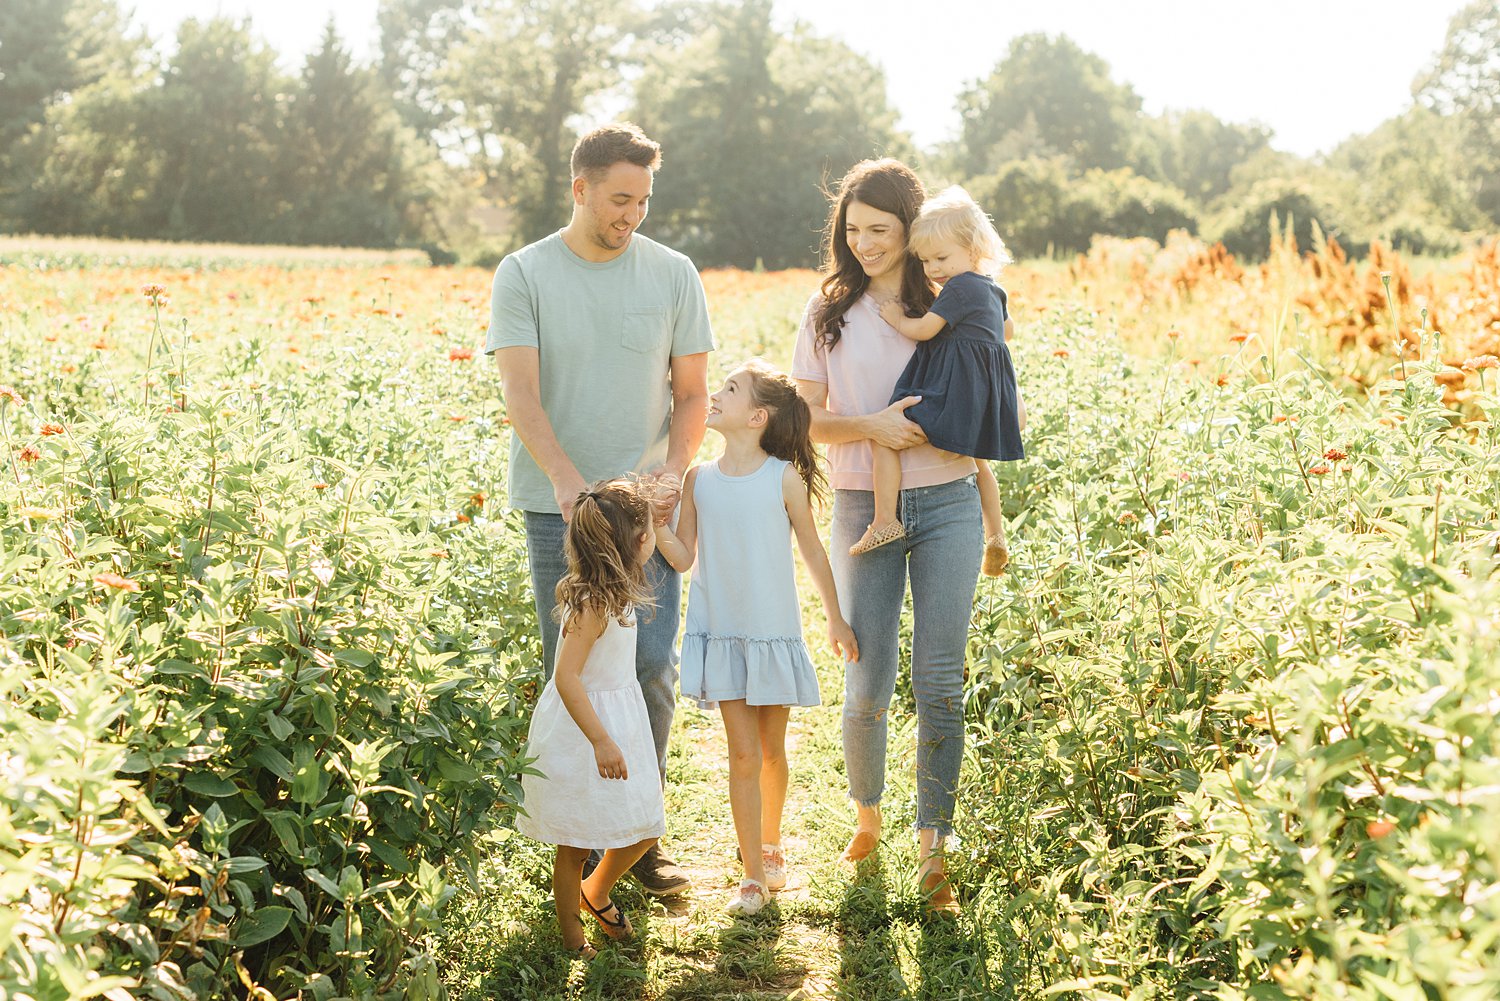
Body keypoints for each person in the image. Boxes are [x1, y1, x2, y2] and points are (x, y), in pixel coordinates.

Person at [488, 122, 713, 896]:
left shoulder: (674, 272)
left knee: (649, 667)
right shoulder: (524, 274)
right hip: (562, 511)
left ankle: (636, 838)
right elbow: (521, 391)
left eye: (644, 200)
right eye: (620, 199)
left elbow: (691, 394)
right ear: (579, 188)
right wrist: (562, 476)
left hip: (642, 511)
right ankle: (577, 843)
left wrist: (674, 474)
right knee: (575, 669)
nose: (633, 214)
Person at [790, 159, 980, 915]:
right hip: (862, 505)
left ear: (911, 229)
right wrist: (869, 426)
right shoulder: (827, 309)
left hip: (949, 502)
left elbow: (996, 391)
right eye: (853, 229)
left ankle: (935, 846)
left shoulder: (953, 299)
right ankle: (867, 814)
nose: (864, 243)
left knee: (941, 684)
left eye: (881, 230)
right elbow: (799, 419)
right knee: (867, 683)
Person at [653, 361, 858, 916]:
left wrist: (835, 619)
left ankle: (771, 846)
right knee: (741, 754)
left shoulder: (782, 478)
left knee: (771, 752)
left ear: (757, 417)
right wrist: (654, 526)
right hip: (722, 632)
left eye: (729, 390)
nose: (714, 395)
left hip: (772, 633)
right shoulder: (699, 479)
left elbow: (813, 553)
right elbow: (683, 556)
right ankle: (750, 875)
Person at [516, 480, 665, 960]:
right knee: (574, 843)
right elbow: (566, 677)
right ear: (635, 543)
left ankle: (595, 890)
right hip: (583, 730)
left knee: (646, 827)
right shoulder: (591, 604)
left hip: (620, 720)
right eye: (649, 530)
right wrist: (600, 740)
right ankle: (573, 938)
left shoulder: (619, 592)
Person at [851, 185, 1024, 579]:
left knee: (885, 433)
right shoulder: (992, 288)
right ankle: (995, 534)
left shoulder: (960, 287)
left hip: (954, 394)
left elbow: (927, 329)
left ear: (974, 249)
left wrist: (895, 318)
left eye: (942, 257)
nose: (934, 270)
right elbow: (1008, 333)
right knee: (977, 462)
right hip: (982, 395)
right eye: (926, 261)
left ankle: (883, 520)